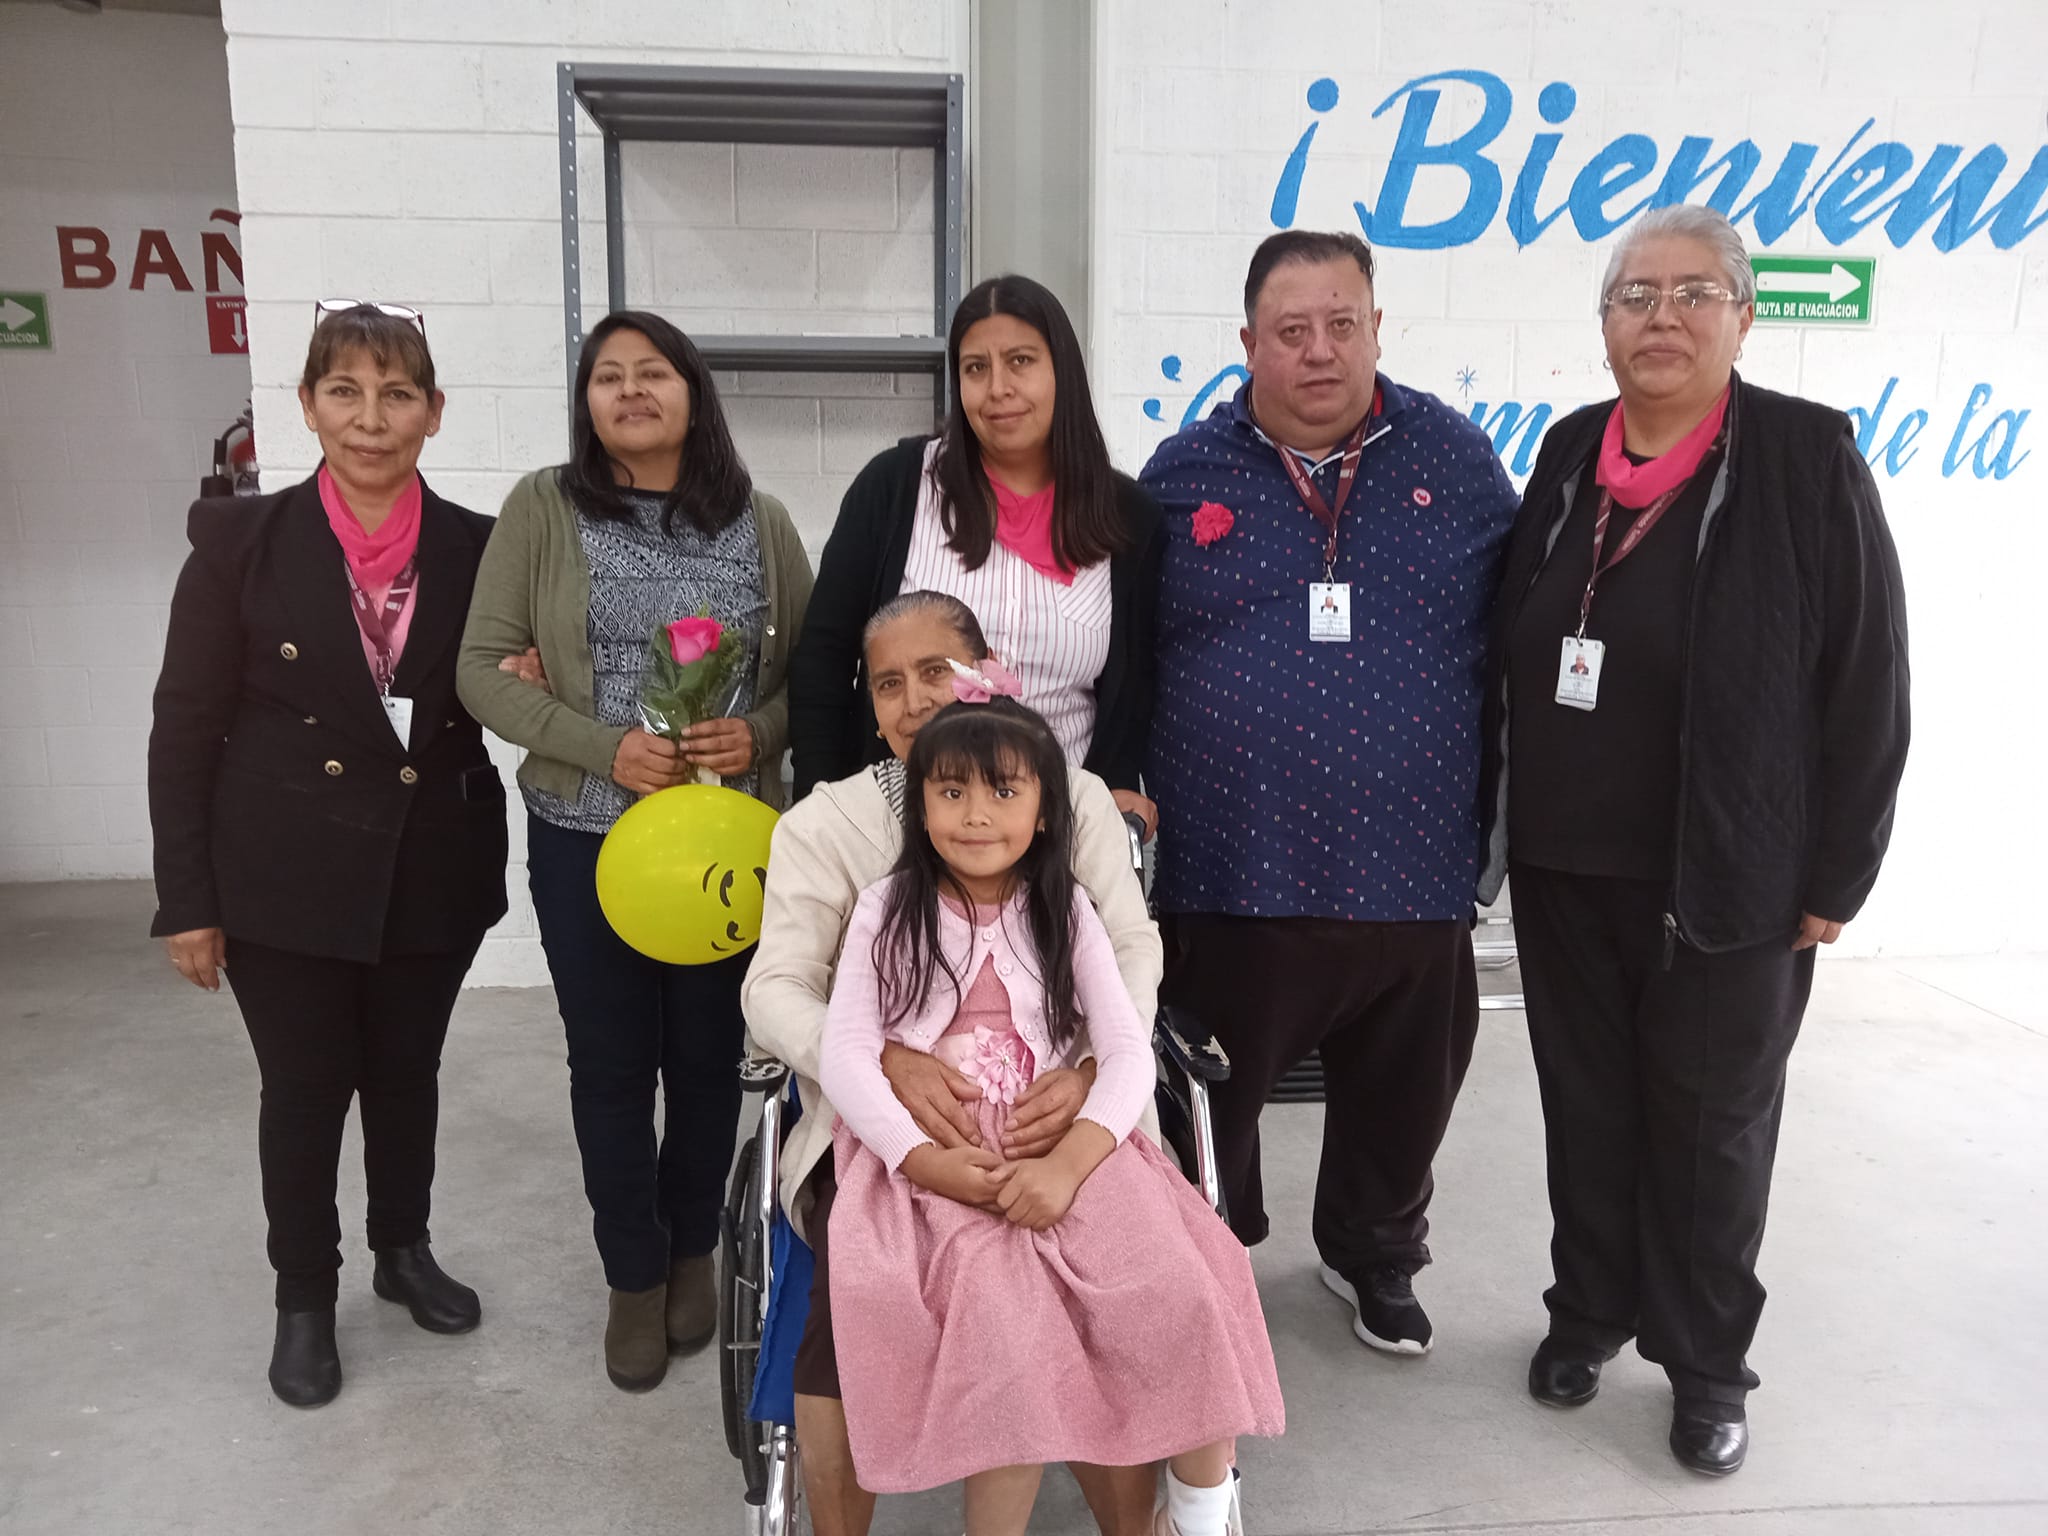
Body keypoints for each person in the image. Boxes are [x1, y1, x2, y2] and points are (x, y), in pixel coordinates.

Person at [1477, 205, 1910, 1475]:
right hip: (1565, 868)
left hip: (1731, 878)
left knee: (1712, 1127)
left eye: (1690, 294)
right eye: (1633, 297)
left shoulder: (1801, 456)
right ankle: (1589, 1312)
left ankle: (1706, 1363)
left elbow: (1867, 678)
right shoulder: (1565, 456)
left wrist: (1839, 870)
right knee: (1587, 1110)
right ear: (1602, 323)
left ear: (1740, 314)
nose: (1659, 318)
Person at [1141, 230, 1519, 1356]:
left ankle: (1373, 1255)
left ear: (1375, 328)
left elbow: (1520, 636)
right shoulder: (1181, 475)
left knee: (1403, 1097)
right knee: (1213, 1097)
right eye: (1291, 330)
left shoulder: (1453, 463)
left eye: (1340, 324)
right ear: (1247, 343)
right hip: (1232, 862)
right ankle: (1211, 1253)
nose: (1318, 351)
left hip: (1413, 865)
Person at [742, 590, 1170, 1536]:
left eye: (935, 670)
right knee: (845, 1297)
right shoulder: (827, 824)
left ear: (985, 673)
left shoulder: (1072, 796)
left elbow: (1131, 951)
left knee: (1129, 1287)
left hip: (1059, 1110)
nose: (911, 700)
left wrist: (1096, 1064)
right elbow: (772, 989)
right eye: (887, 683)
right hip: (888, 1127)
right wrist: (883, 1059)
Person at [148, 302, 507, 1408]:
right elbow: (184, 723)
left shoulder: (479, 549)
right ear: (305, 405)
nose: (370, 418)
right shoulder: (238, 546)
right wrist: (188, 900)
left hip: (430, 866)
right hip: (281, 875)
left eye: (396, 393)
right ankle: (304, 1297)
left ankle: (402, 1251)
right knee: (304, 1092)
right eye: (344, 391)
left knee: (406, 1080)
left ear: (433, 413)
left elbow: (505, 691)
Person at [818, 695, 1283, 1536]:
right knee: (1004, 1331)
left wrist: (1071, 1163)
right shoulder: (885, 911)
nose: (976, 814)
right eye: (951, 793)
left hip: (1071, 1147)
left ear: (1043, 814)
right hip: (939, 1159)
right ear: (919, 809)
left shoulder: (1066, 909)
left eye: (1003, 792)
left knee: (1184, 1288)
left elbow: (1127, 1049)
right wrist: (922, 1159)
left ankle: (1203, 1512)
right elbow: (847, 1054)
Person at [455, 310, 813, 1393]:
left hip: (721, 849)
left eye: (651, 371)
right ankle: (631, 1274)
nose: (628, 391)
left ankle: (693, 1248)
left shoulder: (759, 520)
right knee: (609, 1068)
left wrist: (757, 732)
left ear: (692, 391)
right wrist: (604, 748)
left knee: (707, 1063)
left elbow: (814, 673)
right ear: (586, 404)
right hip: (584, 842)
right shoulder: (542, 508)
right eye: (606, 377)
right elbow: (479, 668)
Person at [786, 274, 1163, 837]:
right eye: (975, 368)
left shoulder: (1128, 516)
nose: (998, 389)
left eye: (1020, 361)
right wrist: (824, 807)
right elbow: (823, 658)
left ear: (1062, 369)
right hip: (898, 830)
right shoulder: (896, 488)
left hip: (1055, 835)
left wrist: (1114, 796)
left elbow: (1135, 692)